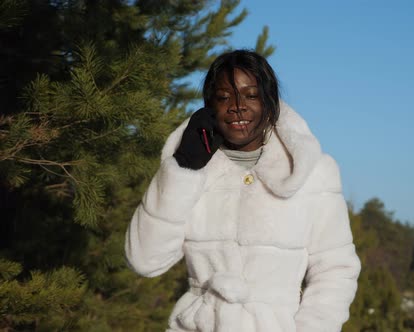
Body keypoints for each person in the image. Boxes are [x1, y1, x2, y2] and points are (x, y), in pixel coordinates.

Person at [125, 49, 361, 332]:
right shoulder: (191, 170)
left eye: (251, 95)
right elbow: (144, 260)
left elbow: (336, 271)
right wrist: (182, 170)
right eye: (224, 97)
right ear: (209, 106)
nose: (237, 106)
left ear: (270, 103)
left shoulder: (313, 172)